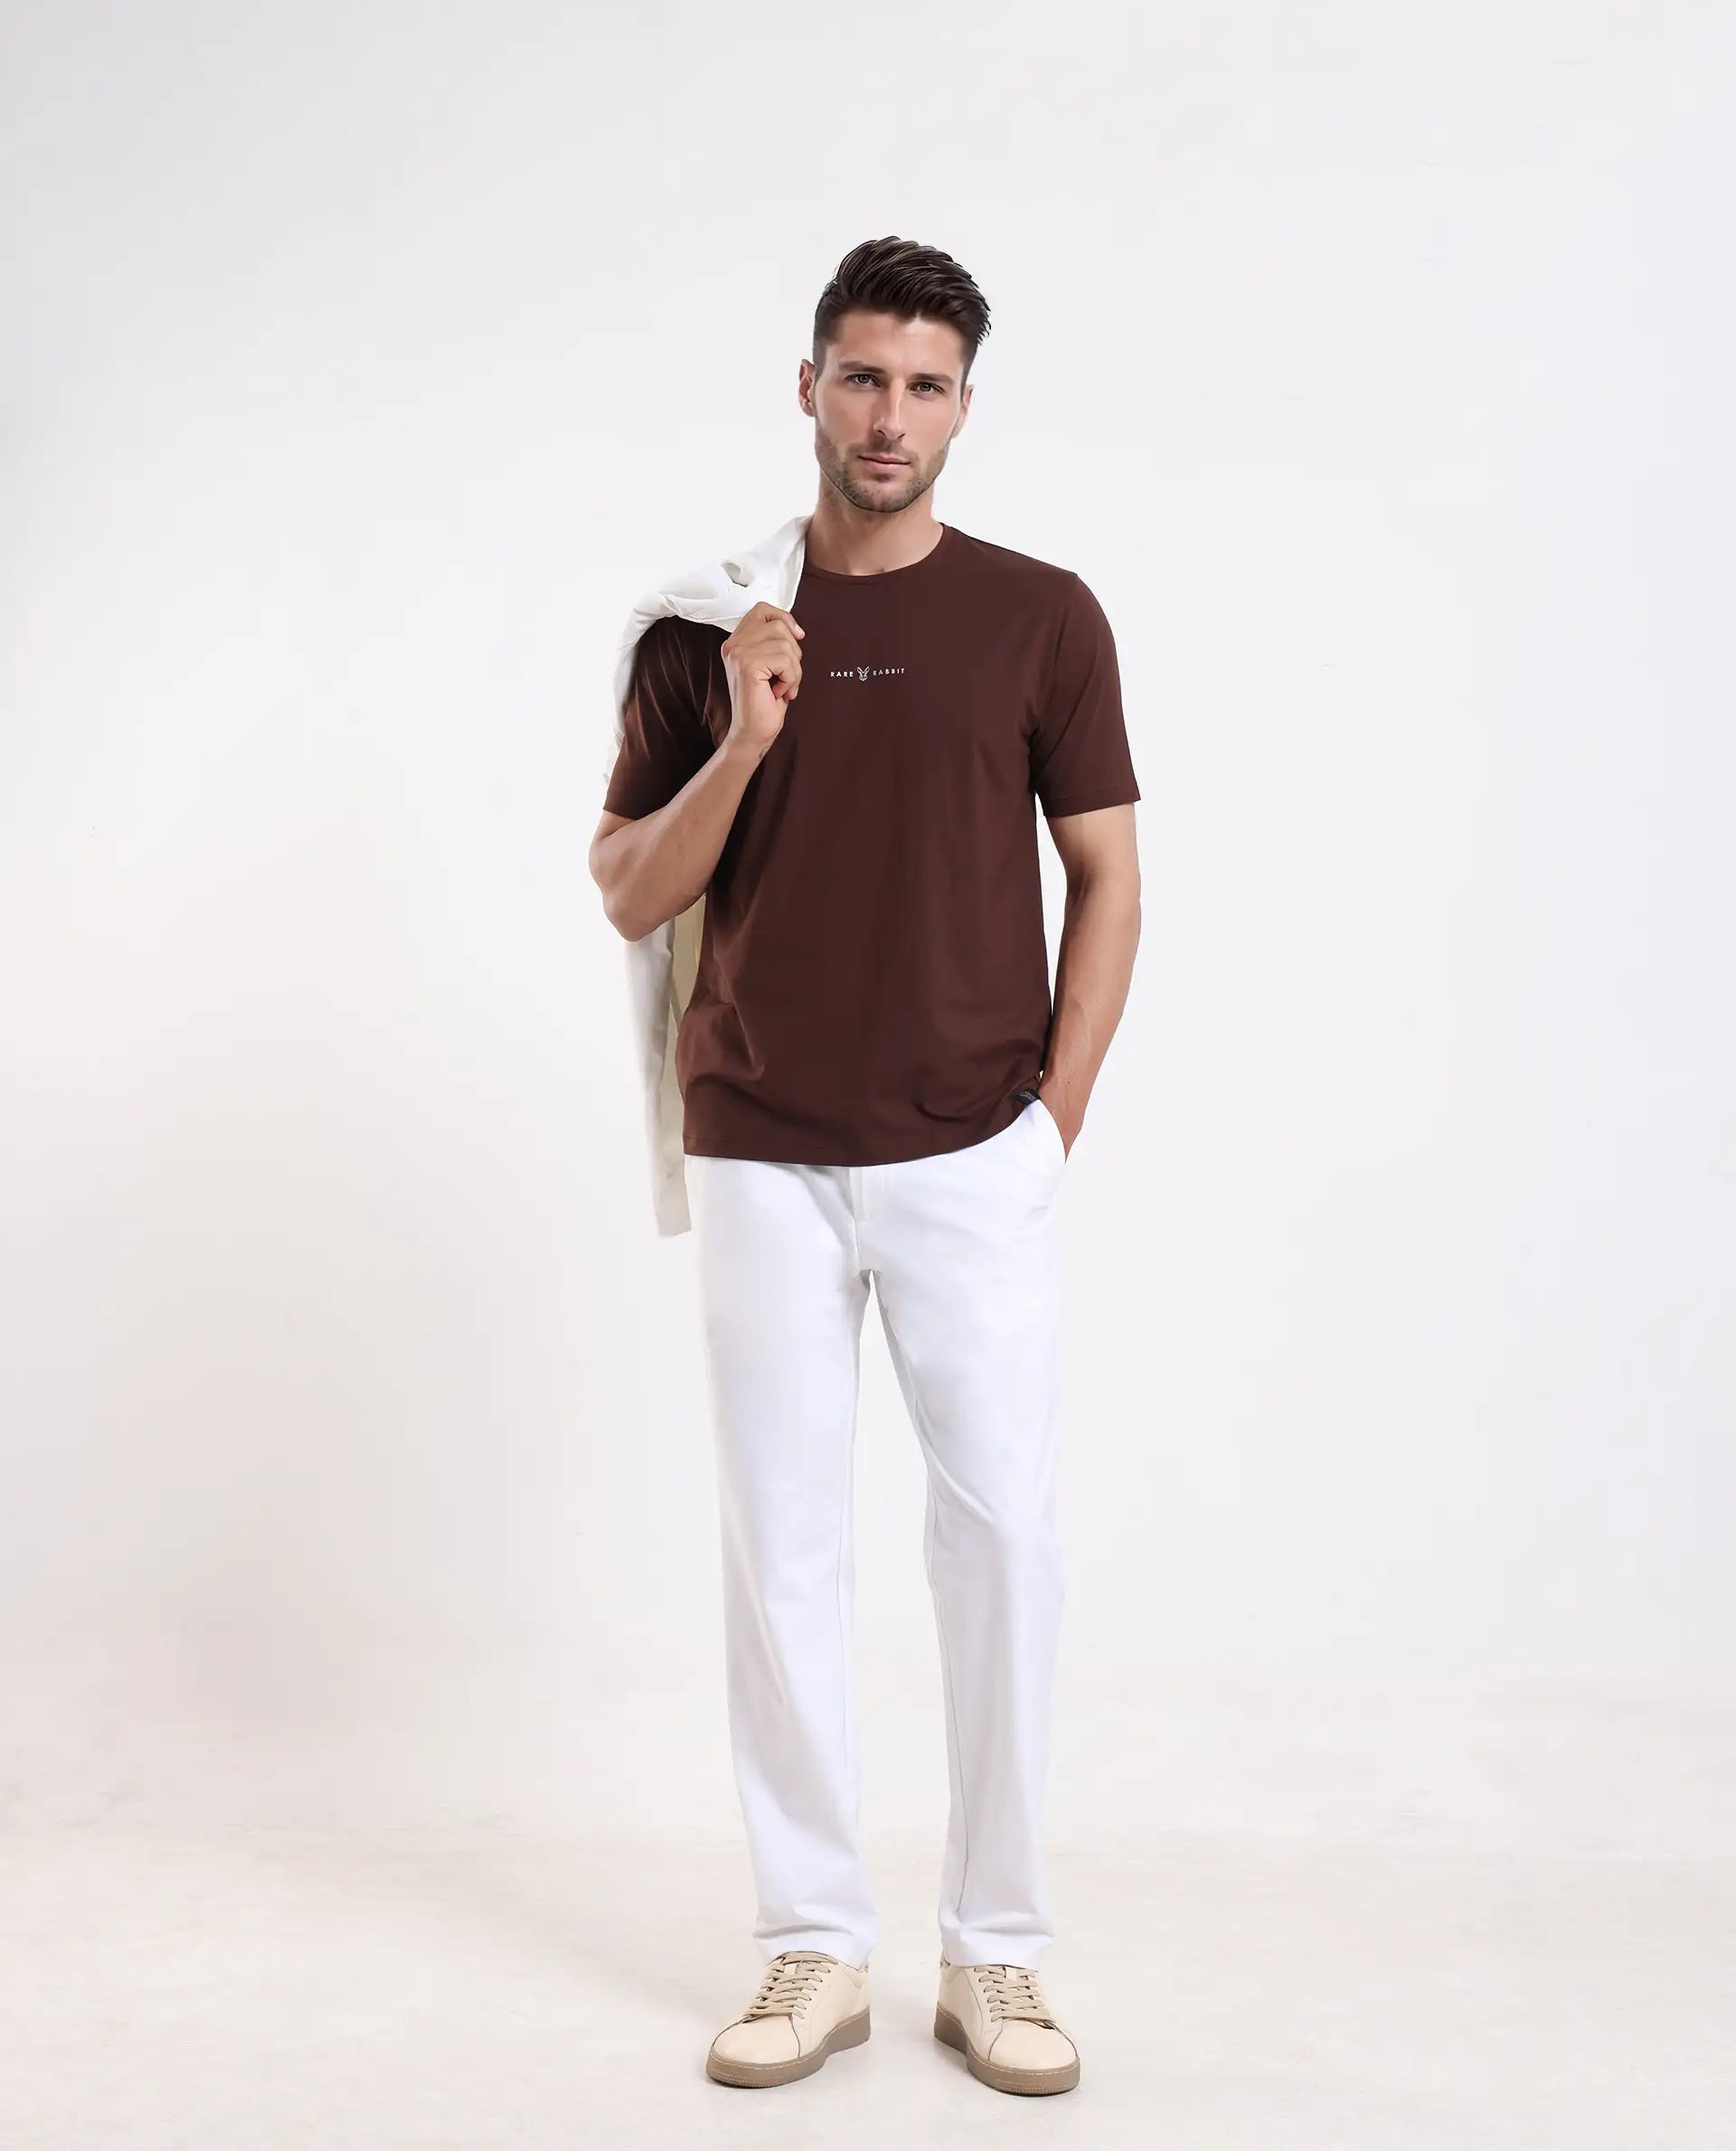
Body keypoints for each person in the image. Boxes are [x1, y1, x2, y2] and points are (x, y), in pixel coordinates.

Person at [589, 235, 1142, 2097]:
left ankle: (1000, 1954)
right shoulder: (708, 629)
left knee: (1004, 1541)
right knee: (785, 1548)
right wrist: (748, 737)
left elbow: (1110, 875)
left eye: (923, 385)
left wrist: (1052, 1114)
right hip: (761, 1142)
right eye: (861, 377)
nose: (888, 415)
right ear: (809, 389)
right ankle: (812, 1941)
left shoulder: (1042, 616)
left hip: (973, 1145)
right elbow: (628, 891)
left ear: (963, 406)